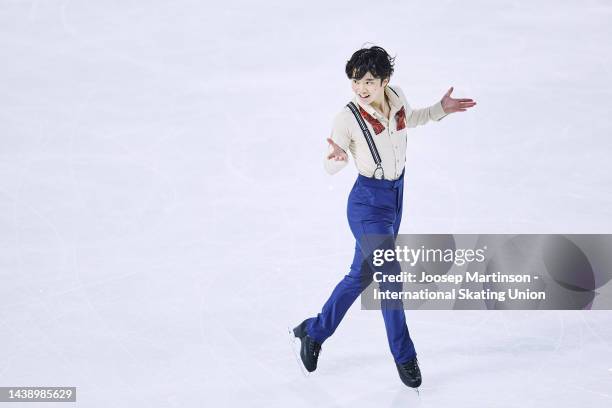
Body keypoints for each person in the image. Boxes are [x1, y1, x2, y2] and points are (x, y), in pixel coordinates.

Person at [292, 45, 476, 388]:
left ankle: (313, 332)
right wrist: (335, 157)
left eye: (368, 81)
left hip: (395, 198)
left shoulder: (396, 96)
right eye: (355, 81)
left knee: (359, 276)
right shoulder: (347, 117)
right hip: (367, 205)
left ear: (385, 80)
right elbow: (331, 163)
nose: (361, 88)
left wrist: (440, 109)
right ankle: (405, 357)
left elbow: (412, 119)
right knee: (390, 278)